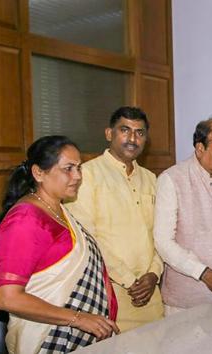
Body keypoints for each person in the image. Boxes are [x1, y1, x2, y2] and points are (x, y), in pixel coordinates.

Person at [0, 135, 120, 353]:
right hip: (46, 338)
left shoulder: (59, 210)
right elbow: (6, 297)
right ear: (38, 173)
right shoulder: (25, 219)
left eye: (79, 168)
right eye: (68, 168)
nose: (77, 176)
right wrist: (78, 318)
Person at [66, 107, 164, 331]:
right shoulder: (86, 175)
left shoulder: (150, 179)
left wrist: (153, 273)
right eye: (125, 130)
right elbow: (89, 239)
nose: (132, 138)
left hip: (151, 293)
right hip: (109, 294)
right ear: (109, 134)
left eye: (140, 133)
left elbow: (160, 234)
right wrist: (130, 281)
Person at [154, 117, 212, 314]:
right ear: (199, 148)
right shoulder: (172, 180)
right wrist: (205, 274)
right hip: (187, 301)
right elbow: (163, 243)